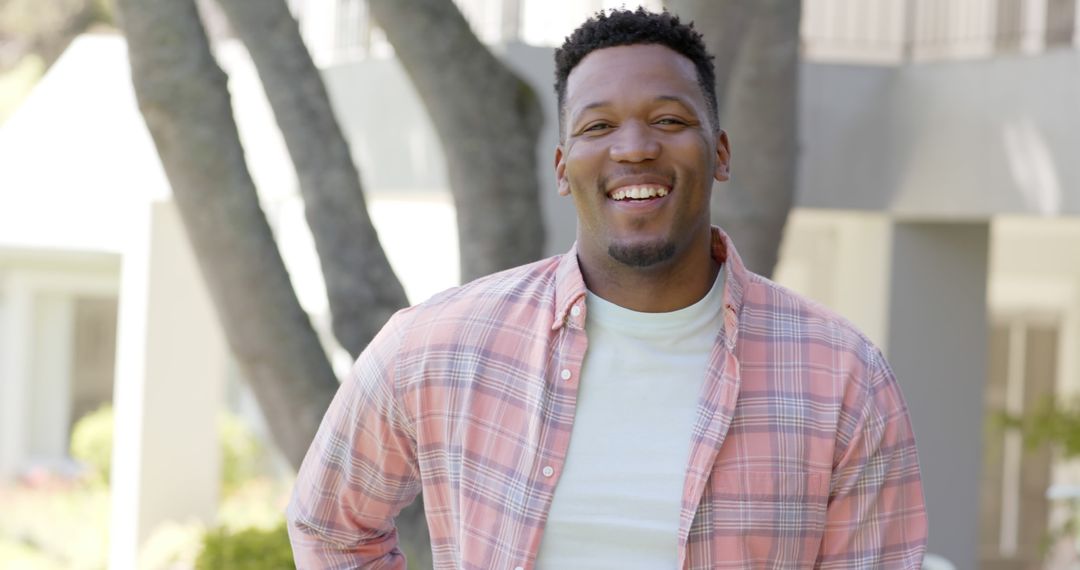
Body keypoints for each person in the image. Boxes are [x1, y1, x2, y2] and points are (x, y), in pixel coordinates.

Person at [287, 7, 928, 569]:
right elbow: (328, 524)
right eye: (598, 127)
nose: (635, 147)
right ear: (564, 168)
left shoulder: (843, 376)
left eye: (669, 120)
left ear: (721, 153)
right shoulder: (437, 346)